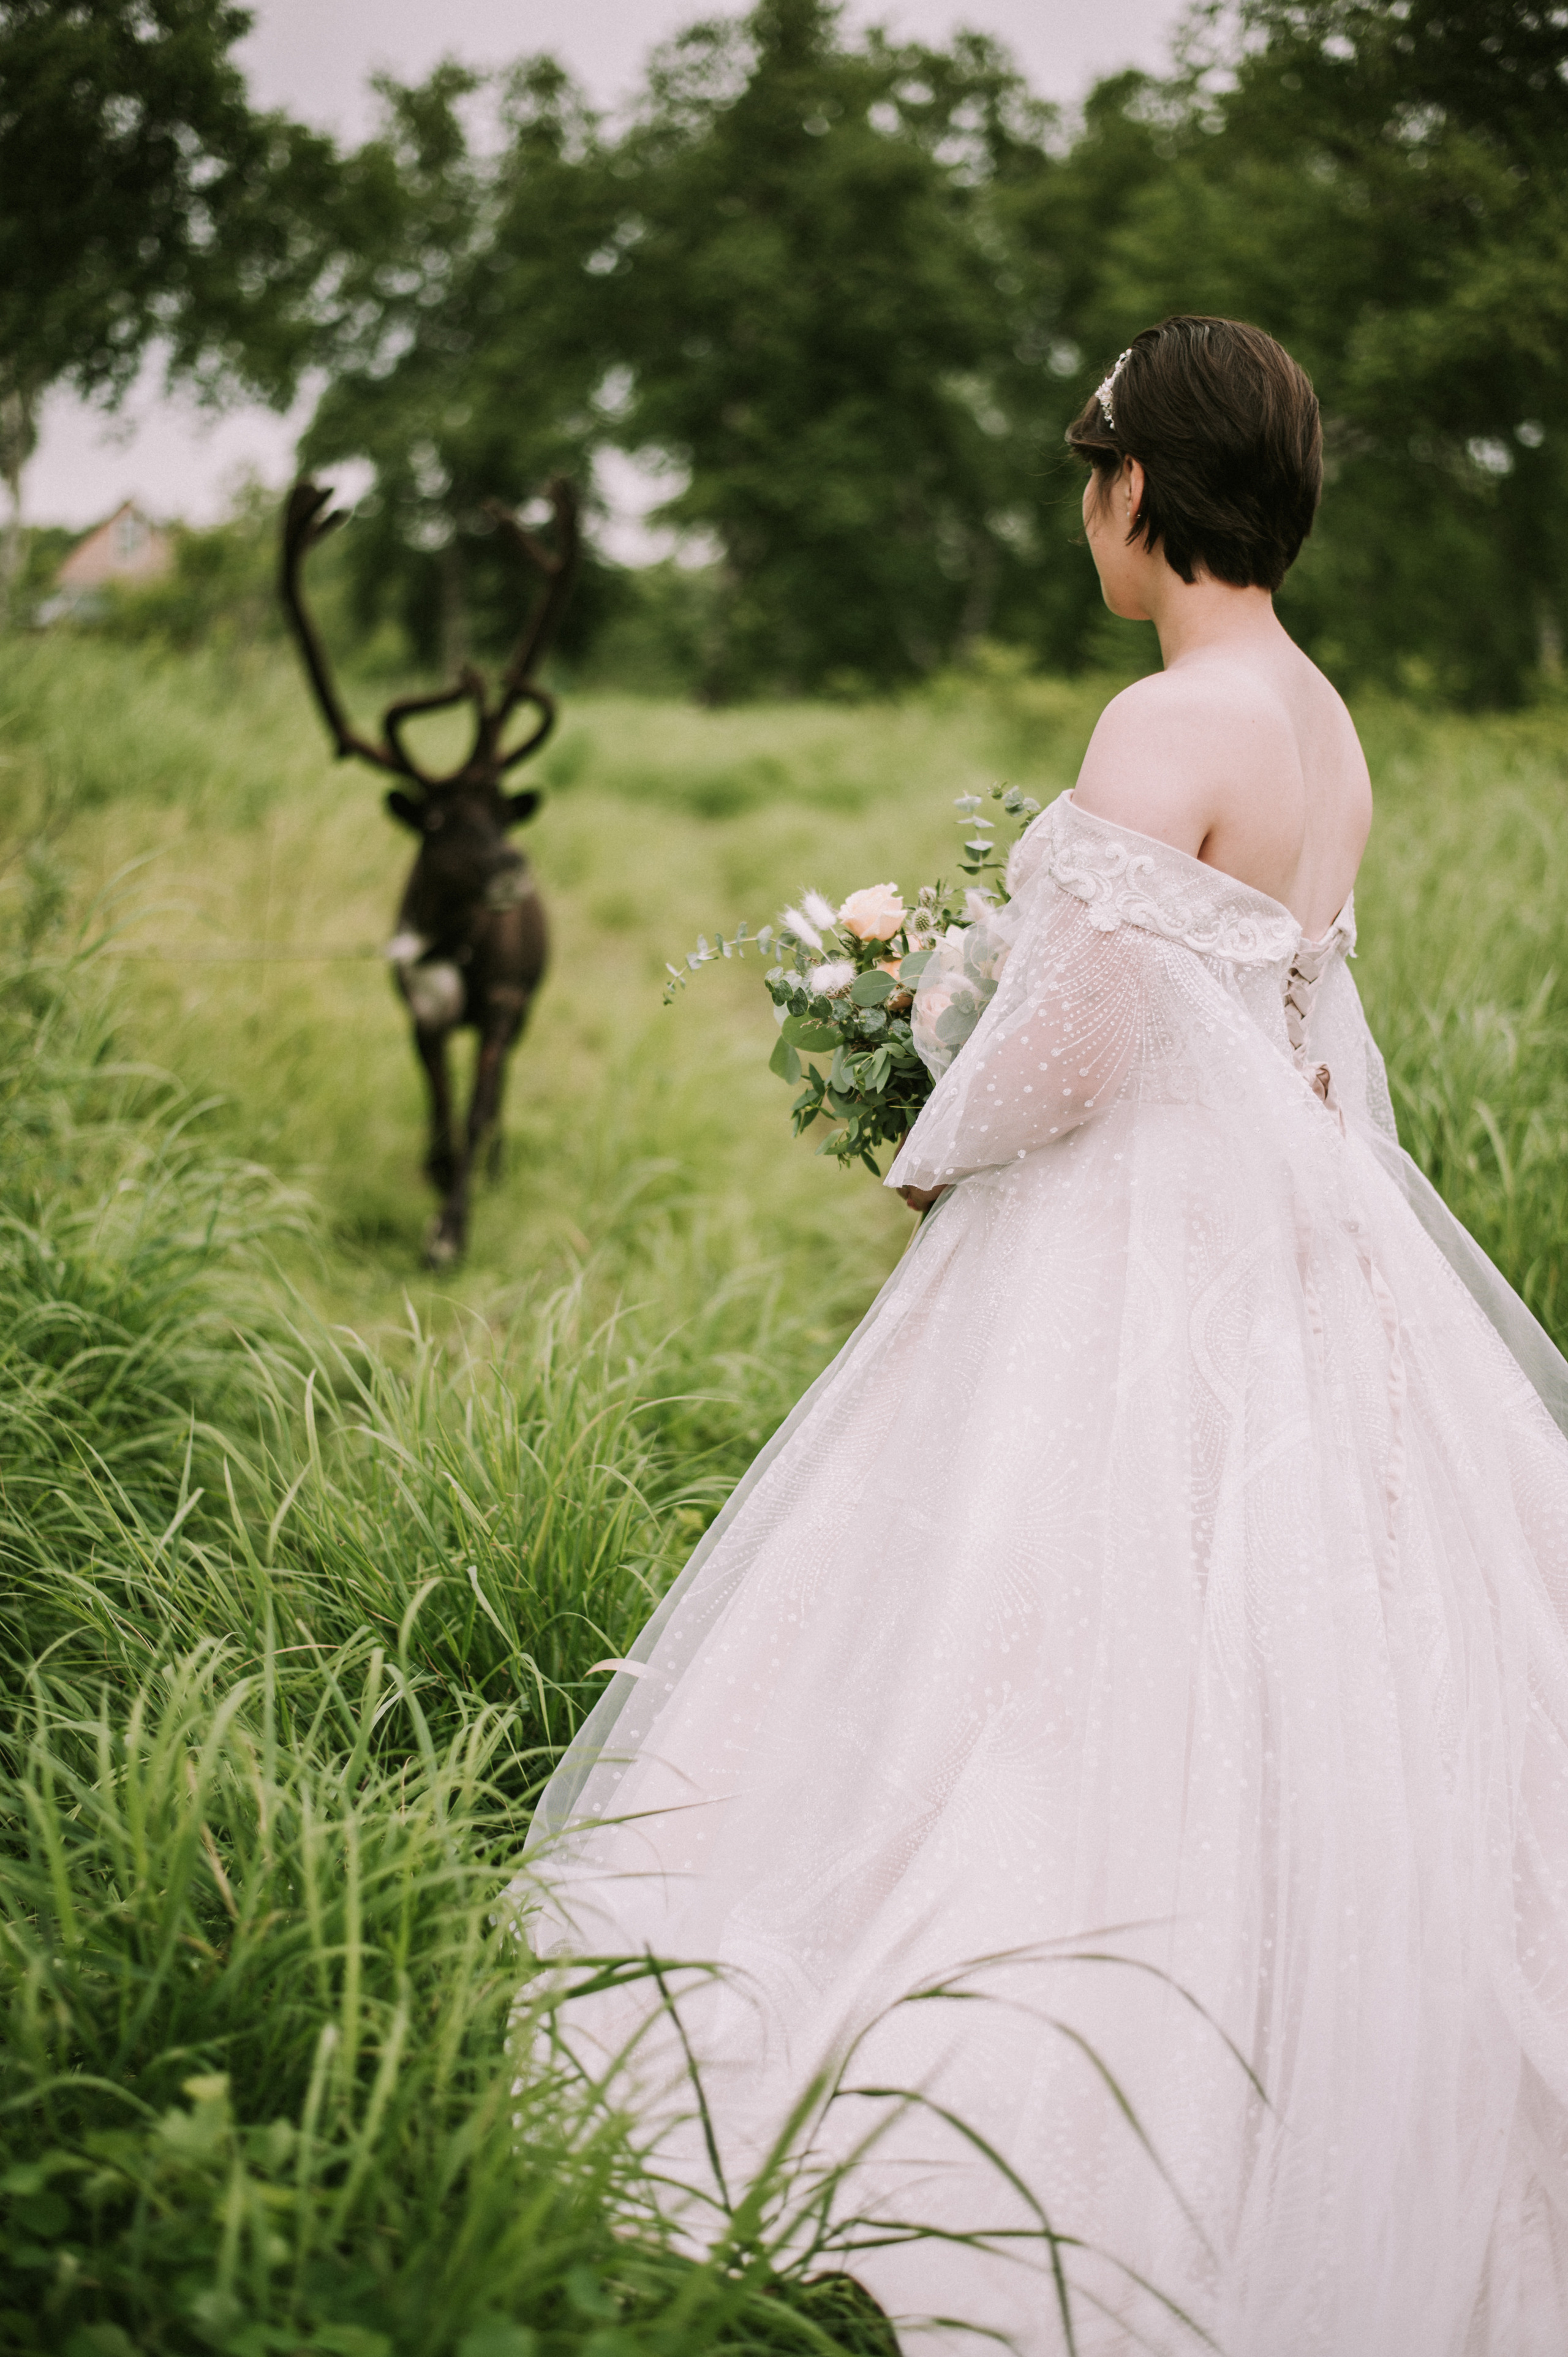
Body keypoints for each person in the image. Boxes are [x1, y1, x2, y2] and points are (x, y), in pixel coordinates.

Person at [519, 317, 1568, 2355]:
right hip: (1294, 1247)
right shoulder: (1322, 716)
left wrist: (927, 1099)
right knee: (1287, 1654)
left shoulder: (1161, 722)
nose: (1082, 510)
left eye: (1086, 475)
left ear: (1132, 489)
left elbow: (1067, 1047)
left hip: (1131, 1259)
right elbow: (1300, 1026)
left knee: (1034, 1645)